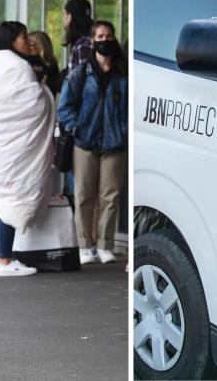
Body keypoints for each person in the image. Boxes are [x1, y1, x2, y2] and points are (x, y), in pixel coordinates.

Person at [0, 21, 56, 277]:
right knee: (10, 197)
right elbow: (30, 102)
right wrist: (41, 88)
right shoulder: (17, 66)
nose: (26, 41)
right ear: (11, 40)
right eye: (21, 36)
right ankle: (6, 259)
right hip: (14, 146)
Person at [56, 20, 127, 265]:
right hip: (85, 142)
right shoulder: (81, 73)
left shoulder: (123, 74)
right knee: (84, 195)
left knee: (111, 196)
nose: (104, 40)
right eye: (99, 36)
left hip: (115, 144)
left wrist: (125, 131)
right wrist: (76, 127)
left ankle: (105, 245)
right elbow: (64, 107)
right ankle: (85, 245)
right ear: (93, 40)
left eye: (108, 36)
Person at [63, 0, 93, 72]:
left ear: (69, 16)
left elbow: (81, 77)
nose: (63, 18)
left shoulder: (82, 44)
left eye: (64, 14)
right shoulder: (91, 37)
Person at [27, 30, 61, 96]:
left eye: (31, 45)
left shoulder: (51, 66)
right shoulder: (26, 61)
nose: (27, 48)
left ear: (41, 46)